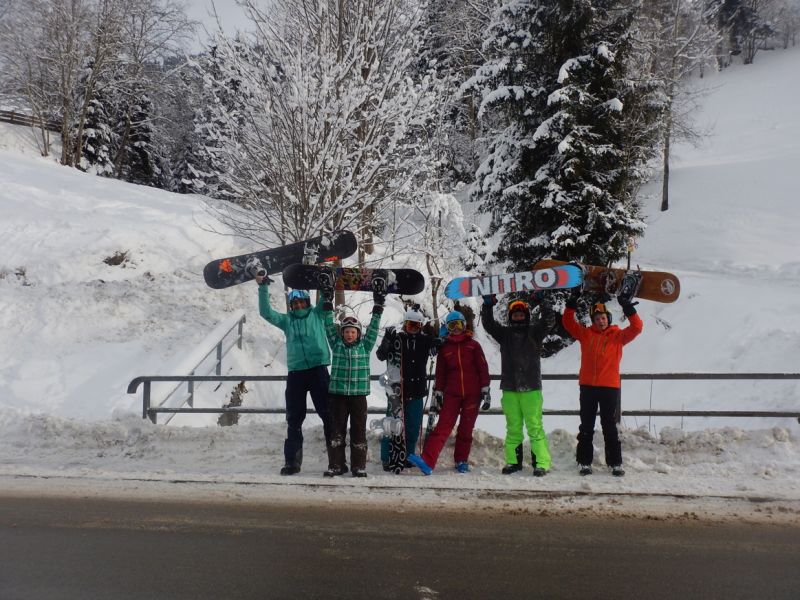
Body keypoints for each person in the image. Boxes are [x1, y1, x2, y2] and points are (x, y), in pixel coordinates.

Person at [255, 274, 333, 475]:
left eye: (301, 302)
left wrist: (323, 283)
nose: (298, 306)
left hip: (318, 370)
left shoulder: (317, 314)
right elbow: (266, 313)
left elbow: (326, 299)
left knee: (329, 416)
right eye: (294, 303)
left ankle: (336, 460)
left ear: (307, 302)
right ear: (291, 305)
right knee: (294, 419)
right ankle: (292, 462)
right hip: (296, 373)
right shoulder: (287, 320)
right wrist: (263, 287)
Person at [562, 289, 643, 477]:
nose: (601, 321)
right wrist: (571, 303)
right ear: (593, 321)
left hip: (609, 387)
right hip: (588, 387)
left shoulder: (618, 336)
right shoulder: (585, 334)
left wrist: (627, 306)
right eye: (597, 318)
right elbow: (568, 322)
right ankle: (584, 462)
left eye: (604, 317)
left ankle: (615, 463)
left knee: (609, 426)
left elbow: (637, 327)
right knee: (586, 426)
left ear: (609, 318)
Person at [407, 311, 490, 475]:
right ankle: (428, 461)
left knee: (466, 428)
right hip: (452, 394)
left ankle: (461, 460)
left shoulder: (473, 345)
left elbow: (483, 368)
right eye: (452, 326)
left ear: (464, 326)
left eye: (458, 325)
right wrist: (438, 392)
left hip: (472, 394)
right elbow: (441, 373)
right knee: (443, 427)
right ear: (448, 328)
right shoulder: (445, 348)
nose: (456, 329)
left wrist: (485, 389)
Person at [320, 278, 385, 478]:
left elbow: (374, 329)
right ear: (342, 334)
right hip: (338, 396)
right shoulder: (336, 344)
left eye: (353, 332)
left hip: (358, 397)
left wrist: (378, 306)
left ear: (358, 334)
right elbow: (328, 324)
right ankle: (337, 465)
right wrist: (327, 300)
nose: (349, 335)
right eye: (346, 332)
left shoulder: (364, 347)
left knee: (359, 433)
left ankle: (359, 466)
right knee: (336, 433)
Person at [481, 296, 552, 476]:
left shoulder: (535, 332)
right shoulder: (504, 335)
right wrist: (487, 306)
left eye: (521, 314)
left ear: (526, 316)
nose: (518, 317)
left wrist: (544, 301)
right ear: (510, 317)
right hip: (510, 388)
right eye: (515, 315)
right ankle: (513, 462)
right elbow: (489, 325)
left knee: (535, 427)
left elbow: (549, 320)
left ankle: (541, 463)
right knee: (513, 427)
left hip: (531, 388)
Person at [375, 306, 441, 471]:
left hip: (417, 390)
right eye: (409, 325)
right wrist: (387, 341)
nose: (412, 329)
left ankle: (407, 455)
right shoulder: (398, 339)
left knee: (412, 427)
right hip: (397, 392)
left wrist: (438, 340)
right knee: (392, 425)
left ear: (420, 327)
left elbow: (436, 348)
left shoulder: (424, 340)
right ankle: (387, 457)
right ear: (404, 325)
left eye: (416, 326)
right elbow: (381, 355)